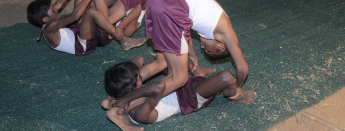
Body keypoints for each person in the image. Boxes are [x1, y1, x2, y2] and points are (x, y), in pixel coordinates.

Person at [113, 0, 256, 121]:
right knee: (179, 78)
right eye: (207, 50)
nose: (203, 47)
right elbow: (242, 69)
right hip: (171, 9)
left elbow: (185, 26)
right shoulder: (228, 35)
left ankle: (123, 89)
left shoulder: (217, 22)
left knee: (161, 62)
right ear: (220, 48)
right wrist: (237, 89)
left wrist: (193, 58)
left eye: (206, 51)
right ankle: (124, 101)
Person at [101, 54, 257, 131]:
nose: (141, 77)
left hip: (178, 87)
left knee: (165, 60)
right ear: (132, 89)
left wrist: (117, 100)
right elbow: (158, 88)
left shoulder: (125, 97)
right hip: (189, 100)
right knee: (226, 77)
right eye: (139, 79)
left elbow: (139, 59)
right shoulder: (138, 113)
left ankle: (198, 74)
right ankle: (233, 96)